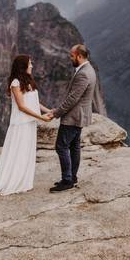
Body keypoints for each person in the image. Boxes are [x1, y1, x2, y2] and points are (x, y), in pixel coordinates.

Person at [0, 54, 53, 196]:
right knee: (19, 153)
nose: (32, 66)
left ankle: (24, 182)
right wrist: (41, 117)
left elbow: (34, 101)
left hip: (29, 123)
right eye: (30, 64)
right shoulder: (15, 83)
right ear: (23, 66)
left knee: (27, 153)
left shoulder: (28, 81)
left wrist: (49, 110)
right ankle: (14, 182)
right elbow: (22, 106)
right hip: (21, 124)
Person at [49, 44, 97, 193]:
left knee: (61, 147)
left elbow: (72, 99)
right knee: (74, 147)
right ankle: (72, 177)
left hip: (73, 117)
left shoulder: (83, 73)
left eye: (71, 56)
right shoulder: (89, 69)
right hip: (80, 117)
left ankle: (67, 180)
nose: (70, 58)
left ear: (79, 56)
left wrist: (56, 113)